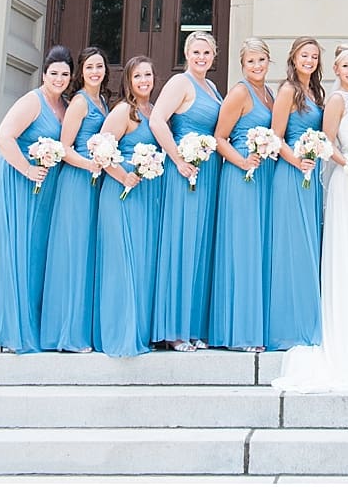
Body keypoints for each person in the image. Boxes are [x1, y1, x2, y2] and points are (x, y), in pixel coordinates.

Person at [271, 44, 348, 393]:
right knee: (345, 247)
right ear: (337, 70)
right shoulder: (336, 100)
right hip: (347, 179)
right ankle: (346, 322)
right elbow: (328, 144)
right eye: (346, 65)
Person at [0, 47, 72, 354]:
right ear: (44, 74)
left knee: (36, 254)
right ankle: (13, 333)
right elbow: (3, 137)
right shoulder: (31, 101)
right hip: (17, 180)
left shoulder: (63, 105)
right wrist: (26, 169)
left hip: (44, 186)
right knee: (18, 253)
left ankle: (33, 326)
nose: (59, 79)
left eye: (64, 74)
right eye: (54, 73)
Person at [149, 31, 223, 348]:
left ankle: (193, 326)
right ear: (186, 53)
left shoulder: (213, 87)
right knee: (182, 244)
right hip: (184, 173)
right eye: (196, 51)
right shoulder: (180, 83)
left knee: (200, 246)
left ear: (214, 56)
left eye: (206, 52)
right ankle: (174, 329)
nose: (201, 57)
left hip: (208, 174)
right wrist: (177, 159)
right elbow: (157, 121)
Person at [208, 36, 277, 349]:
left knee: (257, 250)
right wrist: (242, 161)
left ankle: (256, 326)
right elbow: (219, 138)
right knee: (243, 250)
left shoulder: (269, 93)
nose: (257, 66)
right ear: (242, 65)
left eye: (261, 60)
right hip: (241, 178)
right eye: (251, 61)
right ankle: (239, 332)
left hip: (262, 178)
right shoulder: (239, 92)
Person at [40, 46, 110, 351]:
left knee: (87, 254)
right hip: (77, 183)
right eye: (90, 67)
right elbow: (64, 148)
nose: (95, 72)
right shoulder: (80, 103)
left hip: (94, 183)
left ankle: (82, 329)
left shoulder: (103, 101)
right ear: (81, 71)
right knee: (73, 253)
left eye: (100, 67)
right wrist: (89, 164)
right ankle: (67, 334)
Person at [94, 56, 162, 357]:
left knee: (142, 263)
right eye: (138, 76)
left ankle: (140, 330)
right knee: (122, 263)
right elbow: (100, 147)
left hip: (146, 196)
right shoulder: (124, 110)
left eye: (148, 75)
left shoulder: (154, 111)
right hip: (122, 194)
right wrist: (123, 175)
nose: (144, 81)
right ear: (129, 81)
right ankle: (120, 334)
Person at [265, 37, 327, 350]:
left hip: (311, 175)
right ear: (294, 57)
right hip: (290, 174)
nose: (310, 60)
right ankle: (288, 325)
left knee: (308, 246)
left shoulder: (317, 92)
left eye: (314, 56)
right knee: (292, 246)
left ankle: (308, 316)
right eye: (305, 55)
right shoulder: (287, 90)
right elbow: (275, 138)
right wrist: (298, 161)